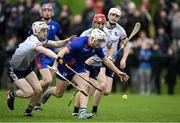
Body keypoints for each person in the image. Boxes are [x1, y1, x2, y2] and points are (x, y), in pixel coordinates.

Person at [41, 28, 129, 119]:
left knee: (86, 86)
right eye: (99, 41)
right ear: (93, 38)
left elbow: (106, 60)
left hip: (79, 68)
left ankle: (83, 112)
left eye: (101, 41)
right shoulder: (78, 43)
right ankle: (50, 91)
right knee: (59, 93)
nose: (100, 43)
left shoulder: (97, 48)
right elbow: (62, 51)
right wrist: (55, 66)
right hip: (65, 67)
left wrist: (118, 72)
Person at [73, 8, 131, 116]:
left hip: (103, 61)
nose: (100, 25)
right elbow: (76, 48)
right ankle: (79, 110)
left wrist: (116, 58)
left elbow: (111, 47)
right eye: (97, 23)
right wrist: (83, 59)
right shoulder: (86, 33)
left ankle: (83, 109)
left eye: (101, 23)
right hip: (88, 62)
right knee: (89, 86)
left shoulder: (113, 33)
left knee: (105, 90)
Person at [7, 21, 67, 117]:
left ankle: (28, 111)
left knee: (38, 90)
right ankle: (12, 94)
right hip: (15, 69)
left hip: (26, 67)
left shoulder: (40, 40)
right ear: (36, 32)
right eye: (43, 31)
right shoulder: (33, 42)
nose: (46, 33)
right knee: (29, 93)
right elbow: (45, 50)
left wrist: (67, 40)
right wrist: (58, 58)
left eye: (46, 30)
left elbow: (56, 43)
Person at [33, 3, 65, 110]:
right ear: (41, 12)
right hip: (40, 55)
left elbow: (60, 38)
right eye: (45, 10)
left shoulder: (56, 24)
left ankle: (37, 104)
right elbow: (30, 39)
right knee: (46, 80)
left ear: (52, 12)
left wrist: (68, 42)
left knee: (48, 82)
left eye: (49, 10)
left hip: (51, 56)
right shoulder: (36, 24)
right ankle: (29, 89)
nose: (47, 12)